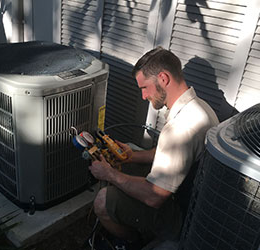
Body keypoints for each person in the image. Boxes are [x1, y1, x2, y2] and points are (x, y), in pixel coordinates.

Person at [88, 47, 219, 250]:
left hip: (180, 218)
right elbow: (173, 157)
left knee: (103, 201)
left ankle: (132, 242)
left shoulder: (180, 128)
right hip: (192, 202)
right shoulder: (199, 108)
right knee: (126, 168)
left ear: (163, 78)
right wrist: (131, 156)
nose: (143, 96)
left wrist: (110, 174)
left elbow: (155, 196)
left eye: (145, 88)